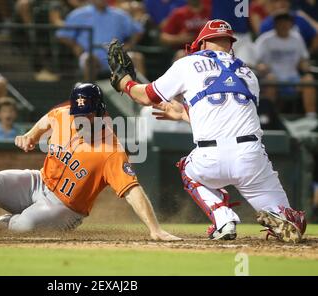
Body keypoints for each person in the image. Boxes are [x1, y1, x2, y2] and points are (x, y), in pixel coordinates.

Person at [0, 83, 182, 242]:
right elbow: (48, 118)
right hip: (39, 181)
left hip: (64, 209)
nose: (80, 119)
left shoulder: (111, 150)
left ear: (101, 112)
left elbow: (132, 191)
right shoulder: (66, 113)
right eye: (78, 113)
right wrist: (31, 134)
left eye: (87, 115)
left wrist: (154, 229)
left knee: (22, 227)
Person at [107, 19, 307, 242]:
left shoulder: (188, 63)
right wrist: (184, 114)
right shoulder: (249, 75)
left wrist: (124, 82)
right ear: (230, 45)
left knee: (188, 170)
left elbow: (145, 96)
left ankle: (223, 220)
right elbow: (229, 117)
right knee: (282, 213)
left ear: (202, 44)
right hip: (252, 157)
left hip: (209, 158)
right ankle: (284, 218)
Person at [57, 0, 144, 81]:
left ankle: (142, 96)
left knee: (135, 57)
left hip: (116, 55)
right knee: (89, 59)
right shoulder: (79, 14)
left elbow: (138, 31)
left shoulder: (119, 15)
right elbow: (62, 35)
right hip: (91, 54)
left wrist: (128, 46)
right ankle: (89, 94)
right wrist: (75, 45)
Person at [255, 12, 316, 118]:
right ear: (275, 24)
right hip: (274, 79)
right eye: (280, 22)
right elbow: (256, 61)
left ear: (291, 24)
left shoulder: (297, 38)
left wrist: (304, 65)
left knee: (309, 79)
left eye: (286, 22)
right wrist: (261, 67)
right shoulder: (265, 39)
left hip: (293, 79)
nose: (284, 24)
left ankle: (311, 116)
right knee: (270, 80)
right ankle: (268, 117)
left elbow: (303, 59)